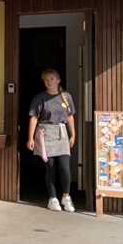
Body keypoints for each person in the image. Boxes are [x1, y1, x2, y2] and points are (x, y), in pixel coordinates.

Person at [27, 68, 77, 212]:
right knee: (50, 168)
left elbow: (70, 117)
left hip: (61, 132)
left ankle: (66, 197)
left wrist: (72, 134)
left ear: (58, 80)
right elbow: (34, 117)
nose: (49, 82)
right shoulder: (39, 98)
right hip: (45, 133)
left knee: (65, 168)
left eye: (52, 79)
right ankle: (52, 198)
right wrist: (30, 138)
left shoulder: (66, 96)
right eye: (46, 80)